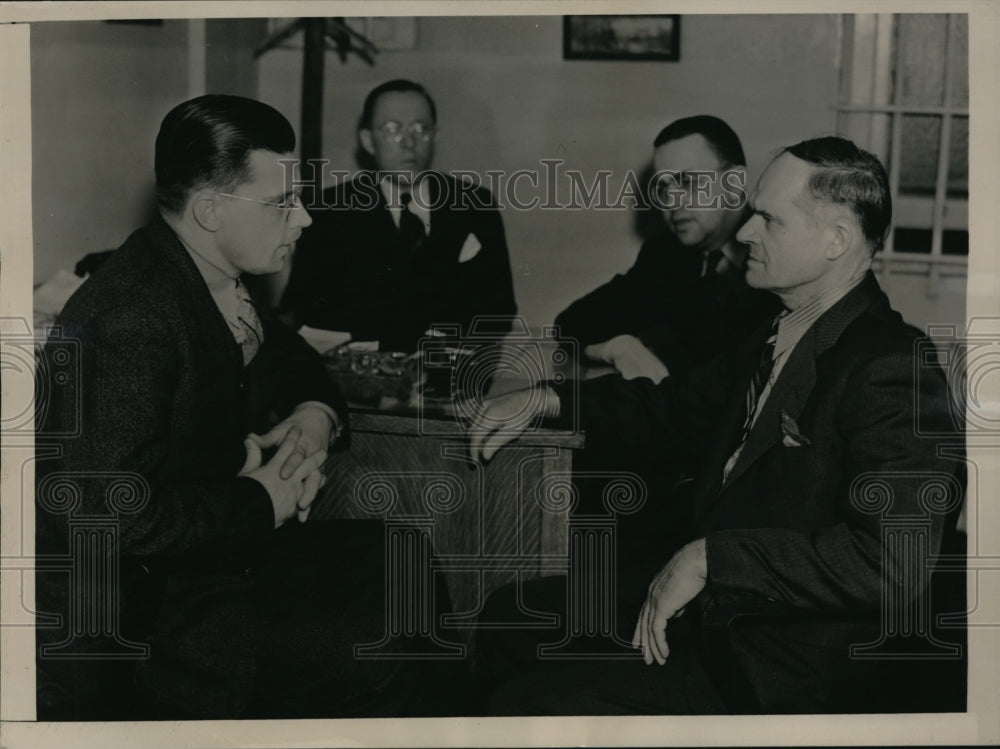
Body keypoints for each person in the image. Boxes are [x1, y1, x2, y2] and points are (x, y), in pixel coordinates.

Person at [470, 136, 964, 714]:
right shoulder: (778, 332)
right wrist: (546, 399)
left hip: (777, 659)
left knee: (531, 704)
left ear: (837, 240)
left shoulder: (891, 365)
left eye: (768, 220)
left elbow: (893, 563)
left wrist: (711, 557)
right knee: (509, 620)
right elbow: (669, 409)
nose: (746, 233)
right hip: (715, 611)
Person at [34, 95, 458, 720]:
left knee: (400, 556)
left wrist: (315, 413)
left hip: (204, 559)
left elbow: (296, 360)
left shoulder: (213, 275)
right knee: (381, 649)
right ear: (209, 209)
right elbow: (105, 517)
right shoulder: (132, 314)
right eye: (283, 203)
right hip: (145, 623)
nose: (306, 219)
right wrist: (264, 498)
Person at [279, 78, 518, 352]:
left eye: (421, 128)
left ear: (434, 136)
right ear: (368, 141)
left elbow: (499, 310)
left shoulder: (475, 204)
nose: (409, 143)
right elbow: (305, 308)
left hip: (450, 379)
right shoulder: (328, 210)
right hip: (358, 382)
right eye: (393, 129)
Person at [555, 115, 779, 383]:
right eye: (663, 187)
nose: (672, 201)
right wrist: (619, 348)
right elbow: (571, 322)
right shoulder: (667, 255)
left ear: (734, 183)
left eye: (688, 182)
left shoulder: (778, 252)